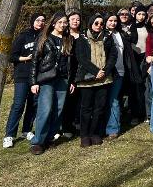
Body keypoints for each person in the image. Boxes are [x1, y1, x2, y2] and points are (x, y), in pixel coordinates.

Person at [29, 12, 74, 155]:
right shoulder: (44, 38)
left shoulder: (69, 39)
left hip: (63, 79)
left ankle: (49, 138)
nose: (63, 25)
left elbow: (72, 62)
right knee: (45, 109)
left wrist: (71, 80)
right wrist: (33, 82)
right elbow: (35, 60)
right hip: (47, 78)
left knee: (58, 110)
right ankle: (37, 141)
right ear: (53, 23)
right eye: (60, 22)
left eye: (65, 22)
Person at [3, 13, 44, 148]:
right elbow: (12, 56)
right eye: (38, 20)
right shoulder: (23, 36)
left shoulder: (44, 36)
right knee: (18, 104)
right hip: (22, 76)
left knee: (33, 104)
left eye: (43, 20)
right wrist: (26, 58)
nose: (40, 22)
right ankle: (9, 135)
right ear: (32, 21)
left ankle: (26, 130)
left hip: (37, 76)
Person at [75, 14, 116, 147]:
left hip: (103, 78)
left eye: (101, 23)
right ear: (91, 23)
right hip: (87, 78)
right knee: (86, 108)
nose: (99, 26)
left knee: (99, 108)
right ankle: (84, 135)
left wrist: (105, 71)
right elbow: (81, 57)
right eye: (96, 23)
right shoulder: (82, 38)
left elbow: (113, 55)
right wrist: (95, 71)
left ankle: (95, 133)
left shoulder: (107, 37)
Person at [105, 13, 141, 139]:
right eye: (110, 20)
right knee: (104, 100)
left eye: (115, 20)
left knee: (114, 99)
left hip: (120, 71)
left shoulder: (121, 34)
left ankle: (113, 128)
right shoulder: (102, 34)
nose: (113, 23)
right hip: (104, 72)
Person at [60, 9, 83, 138]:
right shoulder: (64, 37)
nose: (75, 21)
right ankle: (66, 126)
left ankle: (77, 123)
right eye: (73, 19)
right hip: (69, 73)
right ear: (68, 21)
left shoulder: (83, 36)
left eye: (78, 19)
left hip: (82, 72)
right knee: (68, 100)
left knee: (80, 100)